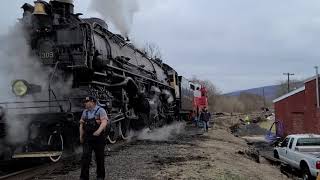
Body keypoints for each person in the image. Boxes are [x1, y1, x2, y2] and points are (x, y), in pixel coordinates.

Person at [79, 96, 108, 180]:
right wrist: (81, 136)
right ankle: (84, 177)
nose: (85, 103)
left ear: (93, 102)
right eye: (85, 102)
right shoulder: (85, 112)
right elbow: (81, 124)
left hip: (98, 138)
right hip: (88, 137)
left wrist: (98, 131)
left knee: (99, 157)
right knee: (85, 157)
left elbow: (104, 122)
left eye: (87, 102)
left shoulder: (101, 110)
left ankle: (100, 176)